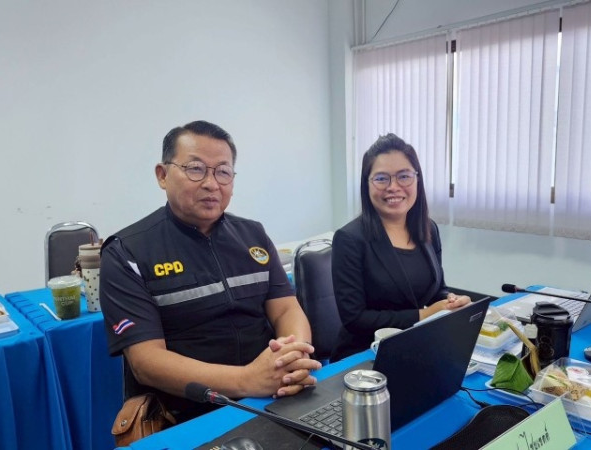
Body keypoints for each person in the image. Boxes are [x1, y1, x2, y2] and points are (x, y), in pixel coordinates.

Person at [100, 120, 321, 421]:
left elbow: (286, 310)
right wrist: (247, 380)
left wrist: (293, 358)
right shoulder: (127, 252)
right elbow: (146, 362)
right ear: (162, 175)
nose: (211, 183)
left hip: (275, 395)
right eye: (196, 169)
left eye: (223, 172)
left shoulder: (253, 235)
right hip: (187, 412)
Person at [330, 133, 471, 361]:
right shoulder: (349, 239)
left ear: (417, 179)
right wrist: (424, 315)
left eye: (404, 176)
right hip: (366, 354)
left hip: (418, 343)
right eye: (381, 179)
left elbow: (436, 290)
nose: (393, 187)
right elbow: (355, 319)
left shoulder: (428, 229)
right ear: (367, 184)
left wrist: (451, 301)